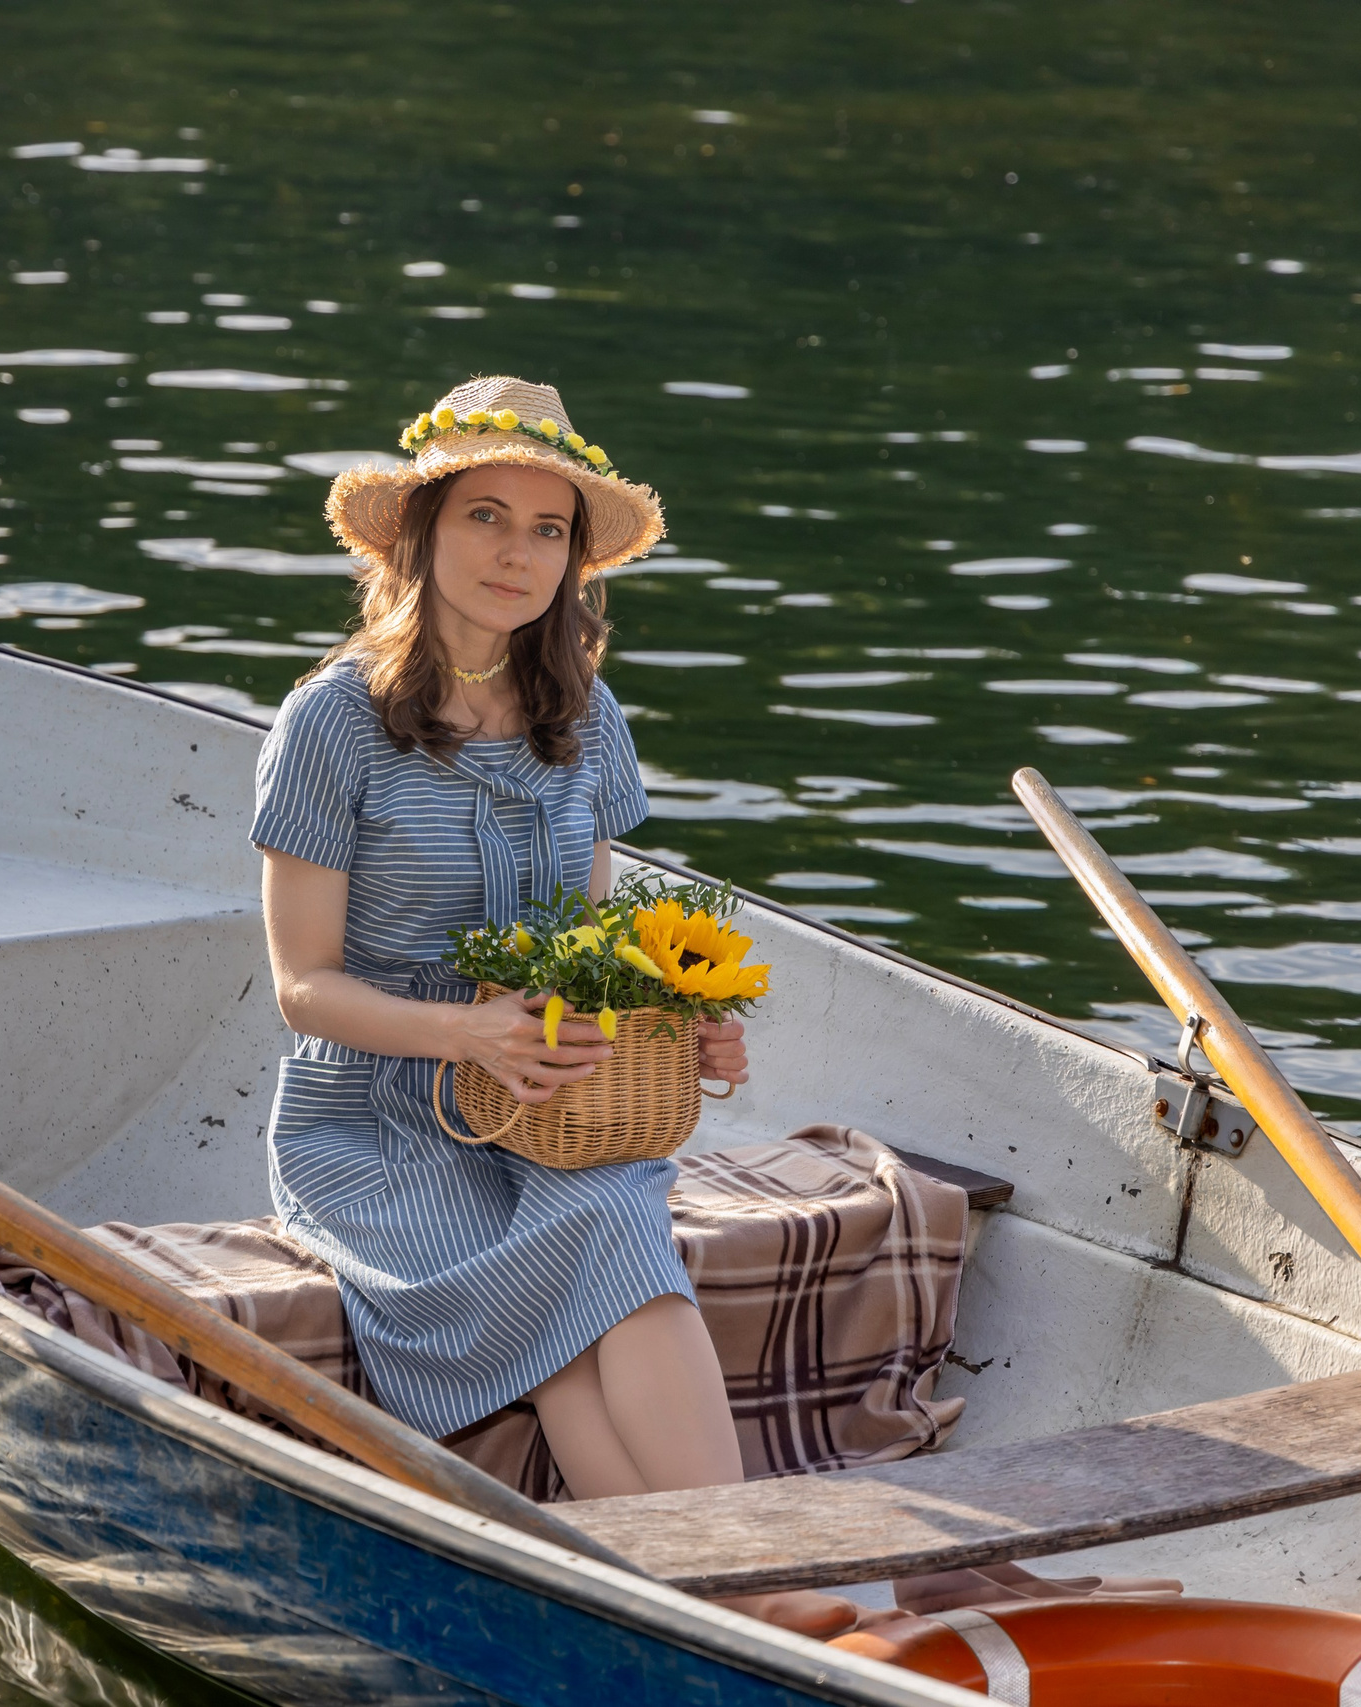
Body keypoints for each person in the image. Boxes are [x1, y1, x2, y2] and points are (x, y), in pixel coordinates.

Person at [252, 376, 856, 1637]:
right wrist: (464, 1030)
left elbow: (595, 947)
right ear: (417, 532)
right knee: (580, 1282)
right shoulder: (332, 722)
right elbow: (301, 987)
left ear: (576, 561)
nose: (515, 552)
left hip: (559, 1096)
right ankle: (742, 1583)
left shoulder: (583, 717)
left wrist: (682, 1021)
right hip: (375, 1111)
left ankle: (702, 1589)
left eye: (547, 529)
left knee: (600, 1245)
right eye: (485, 515)